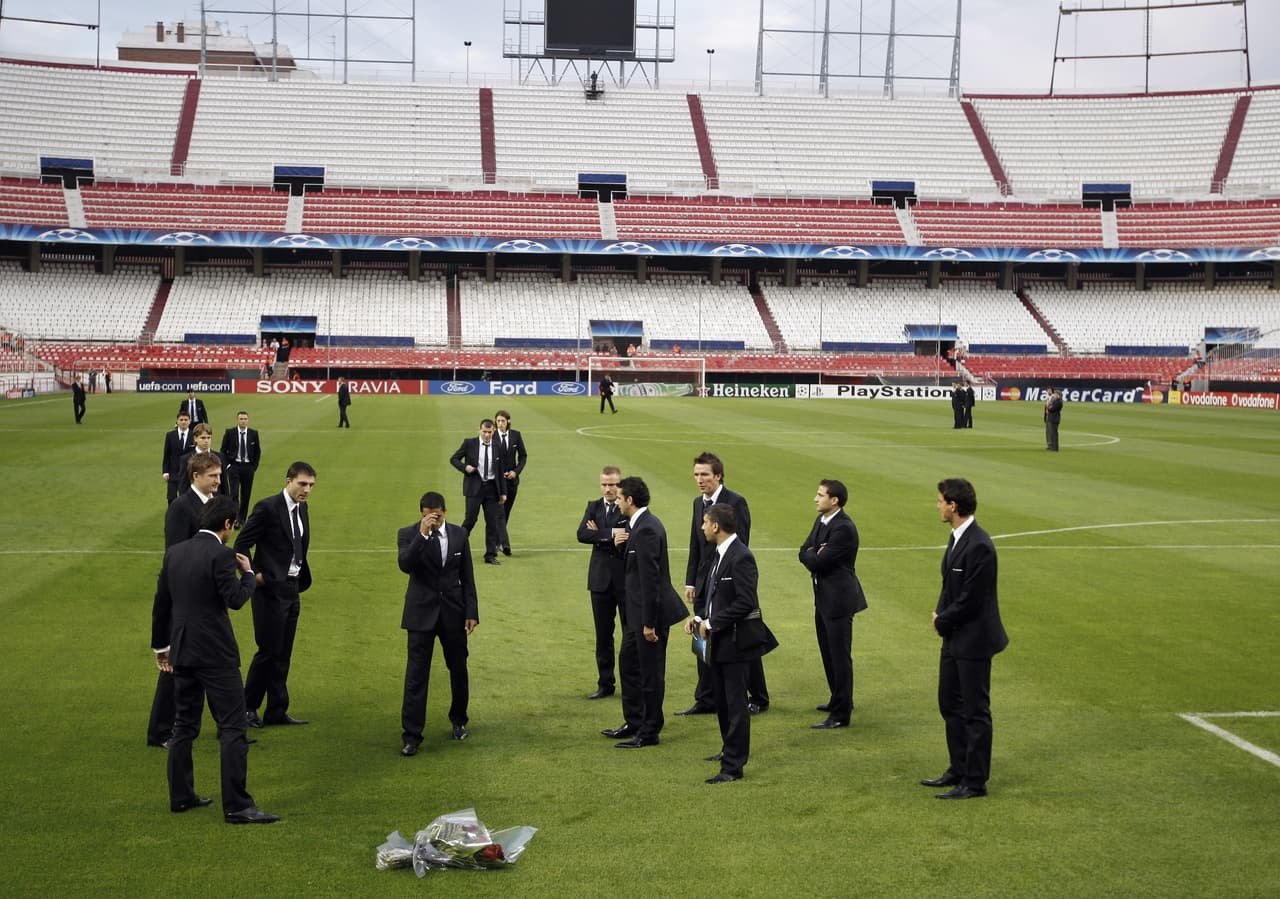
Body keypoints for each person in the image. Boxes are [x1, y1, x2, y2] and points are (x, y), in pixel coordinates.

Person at [151, 495, 279, 824]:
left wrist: (160, 647)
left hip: (182, 650)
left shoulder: (174, 553)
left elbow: (162, 603)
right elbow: (235, 599)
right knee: (233, 727)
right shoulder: (221, 555)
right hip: (216, 655)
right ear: (226, 524)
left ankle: (181, 796)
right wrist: (249, 574)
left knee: (185, 726)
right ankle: (237, 806)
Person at [923, 478, 1009, 800]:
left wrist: (941, 619)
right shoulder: (958, 537)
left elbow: (973, 599)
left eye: (940, 501)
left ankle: (975, 781)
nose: (938, 505)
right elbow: (951, 587)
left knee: (975, 710)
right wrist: (940, 613)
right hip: (953, 636)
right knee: (949, 703)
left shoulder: (980, 545)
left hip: (973, 640)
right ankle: (957, 768)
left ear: (953, 505)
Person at [685, 503, 771, 784]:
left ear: (716, 526)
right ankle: (727, 751)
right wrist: (698, 617)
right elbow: (711, 595)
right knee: (722, 701)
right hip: (718, 641)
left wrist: (710, 624)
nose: (701, 527)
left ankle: (734, 766)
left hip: (734, 643)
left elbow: (746, 602)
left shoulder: (741, 557)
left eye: (705, 522)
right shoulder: (719, 554)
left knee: (735, 705)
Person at [679, 452, 769, 717]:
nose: (700, 479)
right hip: (703, 582)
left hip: (728, 579)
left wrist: (725, 577)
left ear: (718, 476)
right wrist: (691, 581)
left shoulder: (736, 502)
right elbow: (695, 544)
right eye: (696, 474)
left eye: (705, 474)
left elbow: (741, 544)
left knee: (741, 635)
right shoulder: (698, 503)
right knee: (702, 634)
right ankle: (706, 697)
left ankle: (759, 697)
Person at [603, 477, 687, 749]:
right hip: (637, 615)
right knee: (628, 663)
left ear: (630, 500)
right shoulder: (636, 526)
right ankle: (635, 722)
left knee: (650, 673)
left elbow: (650, 580)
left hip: (651, 616)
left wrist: (649, 624)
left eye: (619, 498)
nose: (615, 501)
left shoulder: (648, 529)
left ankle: (650, 731)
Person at [149, 452, 224, 748]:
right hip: (185, 601)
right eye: (213, 476)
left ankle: (229, 724)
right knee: (175, 668)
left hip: (205, 599)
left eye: (219, 475)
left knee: (212, 663)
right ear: (195, 476)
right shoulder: (181, 507)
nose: (219, 481)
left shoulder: (211, 504)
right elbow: (176, 556)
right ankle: (159, 731)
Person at [235, 461, 317, 728]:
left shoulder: (302, 508)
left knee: (284, 652)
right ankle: (248, 708)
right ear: (288, 480)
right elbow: (241, 544)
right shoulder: (267, 507)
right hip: (270, 590)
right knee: (268, 651)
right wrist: (254, 575)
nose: (306, 490)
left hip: (293, 588)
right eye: (302, 484)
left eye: (311, 485)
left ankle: (277, 710)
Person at [397, 491, 478, 755]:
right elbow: (405, 564)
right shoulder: (408, 534)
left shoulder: (459, 535)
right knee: (416, 675)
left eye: (437, 515)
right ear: (421, 513)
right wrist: (422, 534)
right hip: (420, 614)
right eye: (428, 515)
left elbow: (467, 576)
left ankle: (459, 721)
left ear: (445, 511)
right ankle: (411, 736)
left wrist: (471, 612)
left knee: (458, 669)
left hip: (453, 614)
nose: (433, 519)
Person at [798, 479, 867, 730]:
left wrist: (814, 554)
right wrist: (813, 552)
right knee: (828, 653)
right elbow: (803, 550)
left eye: (820, 495)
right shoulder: (822, 520)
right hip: (824, 598)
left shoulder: (844, 528)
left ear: (834, 500)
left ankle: (841, 713)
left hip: (839, 600)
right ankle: (837, 698)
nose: (815, 499)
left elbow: (817, 562)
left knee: (839, 656)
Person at [576, 465, 628, 700]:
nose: (608, 489)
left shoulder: (627, 507)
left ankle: (631, 681)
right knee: (603, 636)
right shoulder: (593, 506)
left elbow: (626, 536)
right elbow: (581, 534)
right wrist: (609, 535)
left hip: (625, 581)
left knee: (630, 635)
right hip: (599, 582)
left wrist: (599, 534)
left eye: (613, 484)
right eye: (605, 484)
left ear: (620, 484)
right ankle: (605, 683)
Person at [449, 419, 509, 566]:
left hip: (492, 490)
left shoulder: (497, 446)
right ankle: (456, 548)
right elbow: (454, 459)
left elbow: (500, 471)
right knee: (470, 520)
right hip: (474, 489)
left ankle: (490, 554)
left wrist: (503, 492)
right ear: (479, 430)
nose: (487, 435)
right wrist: (465, 468)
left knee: (492, 523)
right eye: (484, 432)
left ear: (493, 431)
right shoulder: (469, 443)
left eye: (490, 432)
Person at [220, 411, 262, 527]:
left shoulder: (253, 433)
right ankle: (234, 519)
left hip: (248, 467)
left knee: (246, 494)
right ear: (237, 420)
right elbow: (223, 450)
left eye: (245, 419)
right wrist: (228, 465)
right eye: (241, 419)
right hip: (234, 466)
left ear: (248, 420)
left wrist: (254, 466)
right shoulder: (230, 432)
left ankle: (242, 520)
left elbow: (257, 451)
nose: (243, 421)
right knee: (234, 493)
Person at [493, 410, 527, 552]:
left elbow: (523, 456)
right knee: (500, 512)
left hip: (512, 482)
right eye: (498, 421)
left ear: (508, 422)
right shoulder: (491, 436)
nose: (500, 424)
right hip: (497, 482)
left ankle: (496, 541)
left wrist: (515, 471)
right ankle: (505, 544)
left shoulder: (516, 435)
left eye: (503, 421)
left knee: (506, 512)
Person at [175, 423, 228, 496]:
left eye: (208, 438)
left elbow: (224, 485)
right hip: (194, 502)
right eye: (203, 438)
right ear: (195, 438)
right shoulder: (186, 459)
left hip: (215, 502)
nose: (206, 441)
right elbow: (183, 487)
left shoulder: (219, 457)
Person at [162, 412, 193, 504]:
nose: (183, 422)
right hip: (173, 472)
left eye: (186, 420)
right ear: (177, 421)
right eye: (181, 420)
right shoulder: (170, 435)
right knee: (171, 498)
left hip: (188, 472)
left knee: (187, 498)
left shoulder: (194, 436)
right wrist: (165, 471)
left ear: (189, 421)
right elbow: (167, 454)